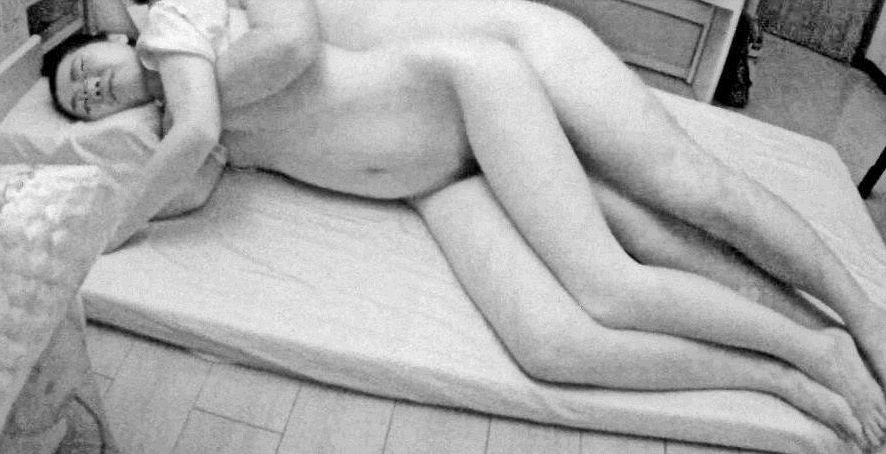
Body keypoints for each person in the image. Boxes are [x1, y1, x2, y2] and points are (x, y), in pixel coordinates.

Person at [42, 0, 886, 447]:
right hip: (436, 163)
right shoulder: (176, 89)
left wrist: (154, 117)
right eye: (80, 100)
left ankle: (850, 323)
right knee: (557, 338)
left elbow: (276, 59)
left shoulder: (182, 36)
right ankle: (787, 370)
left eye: (86, 66)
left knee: (680, 194)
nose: (90, 89)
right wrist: (113, 159)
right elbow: (187, 172)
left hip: (497, 59)